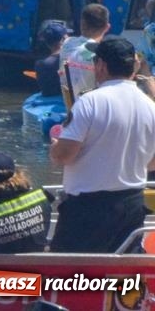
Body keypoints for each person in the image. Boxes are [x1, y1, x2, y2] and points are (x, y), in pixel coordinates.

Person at [49, 36, 155, 253]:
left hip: (88, 210)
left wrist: (55, 146)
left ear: (101, 66)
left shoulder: (89, 102)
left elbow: (63, 156)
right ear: (133, 66)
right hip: (132, 204)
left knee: (70, 276)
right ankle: (129, 289)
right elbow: (152, 163)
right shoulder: (150, 107)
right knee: (124, 272)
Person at [61, 3, 112, 107]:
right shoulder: (100, 52)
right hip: (92, 108)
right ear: (107, 27)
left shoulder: (67, 43)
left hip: (70, 105)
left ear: (82, 24)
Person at [34, 19, 72, 98]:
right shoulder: (73, 59)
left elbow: (46, 90)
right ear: (64, 39)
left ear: (47, 42)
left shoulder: (40, 64)